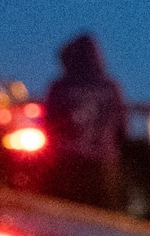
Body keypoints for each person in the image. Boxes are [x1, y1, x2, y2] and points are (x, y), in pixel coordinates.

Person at [44, 32, 127, 210]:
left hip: (66, 164)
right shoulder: (111, 88)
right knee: (104, 221)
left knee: (63, 215)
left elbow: (48, 124)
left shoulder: (59, 88)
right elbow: (122, 129)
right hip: (103, 166)